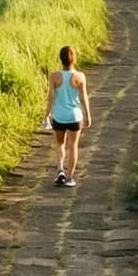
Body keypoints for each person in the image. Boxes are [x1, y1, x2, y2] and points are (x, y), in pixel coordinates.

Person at [46, 45, 92, 187]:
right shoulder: (80, 77)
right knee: (73, 146)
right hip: (75, 116)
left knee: (60, 144)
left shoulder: (54, 76)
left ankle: (60, 169)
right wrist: (87, 115)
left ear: (61, 59)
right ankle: (70, 177)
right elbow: (84, 97)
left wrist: (46, 114)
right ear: (74, 59)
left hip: (59, 115)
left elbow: (51, 97)